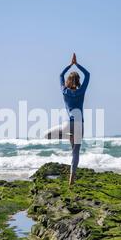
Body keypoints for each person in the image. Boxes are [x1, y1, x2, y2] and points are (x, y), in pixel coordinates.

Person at [45, 53, 90, 185]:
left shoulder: (64, 91)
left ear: (68, 81)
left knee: (47, 135)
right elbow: (88, 75)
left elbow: (60, 75)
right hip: (79, 125)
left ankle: (68, 136)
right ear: (78, 81)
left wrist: (70, 65)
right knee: (75, 153)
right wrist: (77, 64)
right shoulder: (81, 91)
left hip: (68, 124)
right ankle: (71, 179)